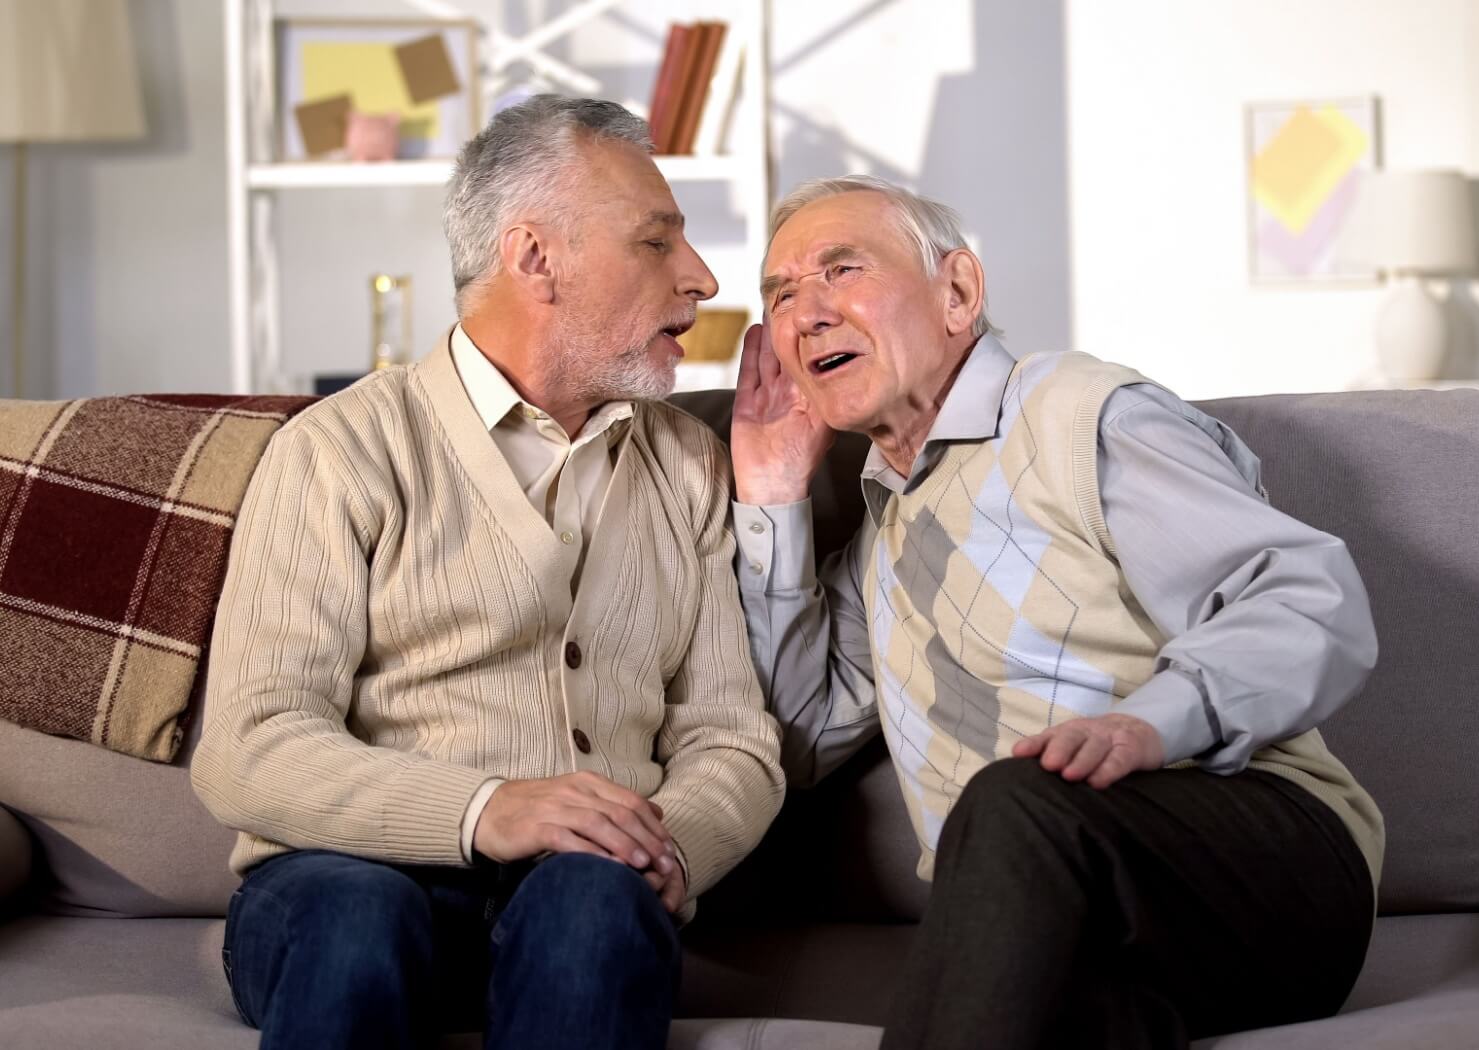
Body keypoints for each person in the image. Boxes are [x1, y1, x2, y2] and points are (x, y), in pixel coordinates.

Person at [729, 174, 1383, 1050]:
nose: (805, 313)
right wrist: (773, 497)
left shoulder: (1077, 415)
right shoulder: (881, 528)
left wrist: (1151, 724)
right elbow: (799, 740)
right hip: (1061, 927)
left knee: (1012, 799)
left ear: (958, 291)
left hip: (1269, 868)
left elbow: (1306, 597)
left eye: (840, 270)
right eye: (779, 293)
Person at [191, 95, 785, 1050]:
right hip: (343, 880)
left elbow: (731, 738)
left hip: (580, 890)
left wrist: (666, 843)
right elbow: (249, 748)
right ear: (534, 257)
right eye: (656, 241)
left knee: (595, 908)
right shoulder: (342, 449)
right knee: (357, 920)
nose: (703, 277)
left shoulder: (687, 465)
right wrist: (484, 809)